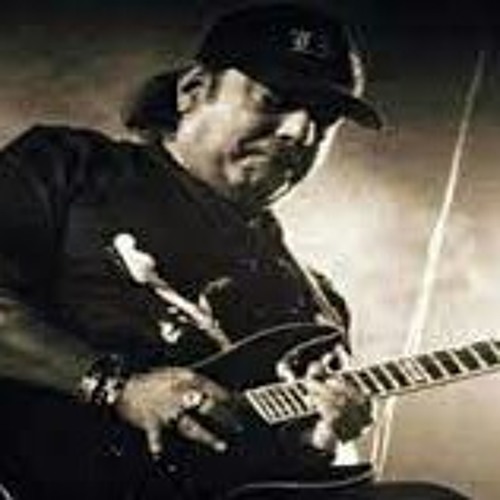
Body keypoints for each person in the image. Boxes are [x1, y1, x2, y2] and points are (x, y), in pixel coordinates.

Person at [0, 2, 469, 499]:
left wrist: (324, 436)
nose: (301, 132)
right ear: (193, 90)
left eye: (324, 118)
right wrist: (117, 388)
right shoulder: (72, 167)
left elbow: (282, 465)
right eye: (275, 100)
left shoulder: (320, 306)